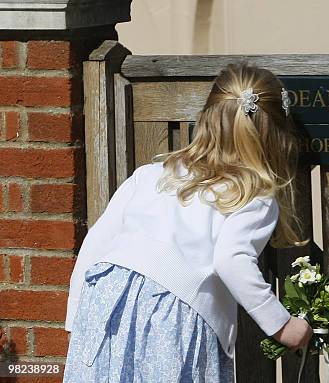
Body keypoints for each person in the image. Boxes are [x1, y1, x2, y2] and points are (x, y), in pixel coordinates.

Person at [63, 62, 313, 382]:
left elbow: (96, 244)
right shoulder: (252, 198)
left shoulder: (156, 173)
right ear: (276, 137)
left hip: (106, 300)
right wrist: (282, 325)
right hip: (171, 317)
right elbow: (231, 259)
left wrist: (77, 318)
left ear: (207, 118)